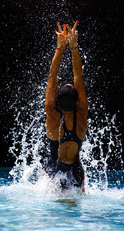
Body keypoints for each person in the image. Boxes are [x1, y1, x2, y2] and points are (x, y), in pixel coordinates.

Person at [44, 21, 88, 189]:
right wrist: (74, 47)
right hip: (77, 172)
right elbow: (79, 76)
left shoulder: (52, 114)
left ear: (58, 103)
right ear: (77, 101)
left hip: (53, 171)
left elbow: (52, 77)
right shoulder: (82, 115)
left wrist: (60, 48)